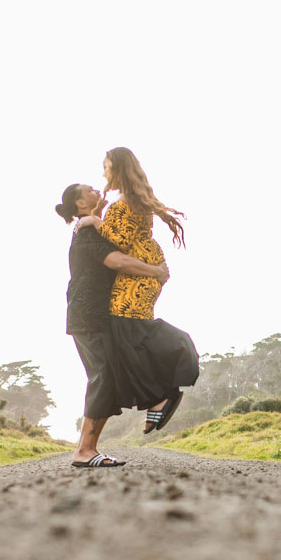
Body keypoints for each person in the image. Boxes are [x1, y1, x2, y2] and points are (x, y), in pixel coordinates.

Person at [60, 180, 166, 468]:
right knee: (102, 376)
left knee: (110, 375)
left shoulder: (94, 225)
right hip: (88, 315)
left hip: (97, 315)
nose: (98, 190)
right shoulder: (87, 230)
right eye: (90, 190)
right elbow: (118, 261)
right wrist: (155, 270)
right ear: (80, 204)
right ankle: (84, 451)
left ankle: (89, 448)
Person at [95, 147, 200, 434]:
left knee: (128, 332)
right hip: (146, 271)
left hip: (138, 274)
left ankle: (164, 388)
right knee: (131, 333)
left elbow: (118, 242)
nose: (102, 173)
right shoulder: (132, 200)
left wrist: (93, 221)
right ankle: (159, 396)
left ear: (116, 168)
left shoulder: (121, 204)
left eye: (105, 167)